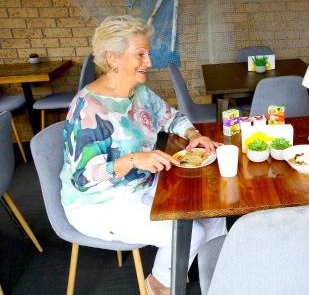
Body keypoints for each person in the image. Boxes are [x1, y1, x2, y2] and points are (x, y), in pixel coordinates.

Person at [60, 15, 226, 295]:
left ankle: (218, 277)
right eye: (140, 54)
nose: (149, 62)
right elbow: (82, 179)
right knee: (189, 232)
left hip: (141, 186)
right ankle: (158, 286)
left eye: (147, 53)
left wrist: (193, 135)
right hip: (98, 204)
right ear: (112, 58)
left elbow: (171, 117)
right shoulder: (88, 109)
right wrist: (132, 160)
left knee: (211, 207)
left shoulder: (139, 93)